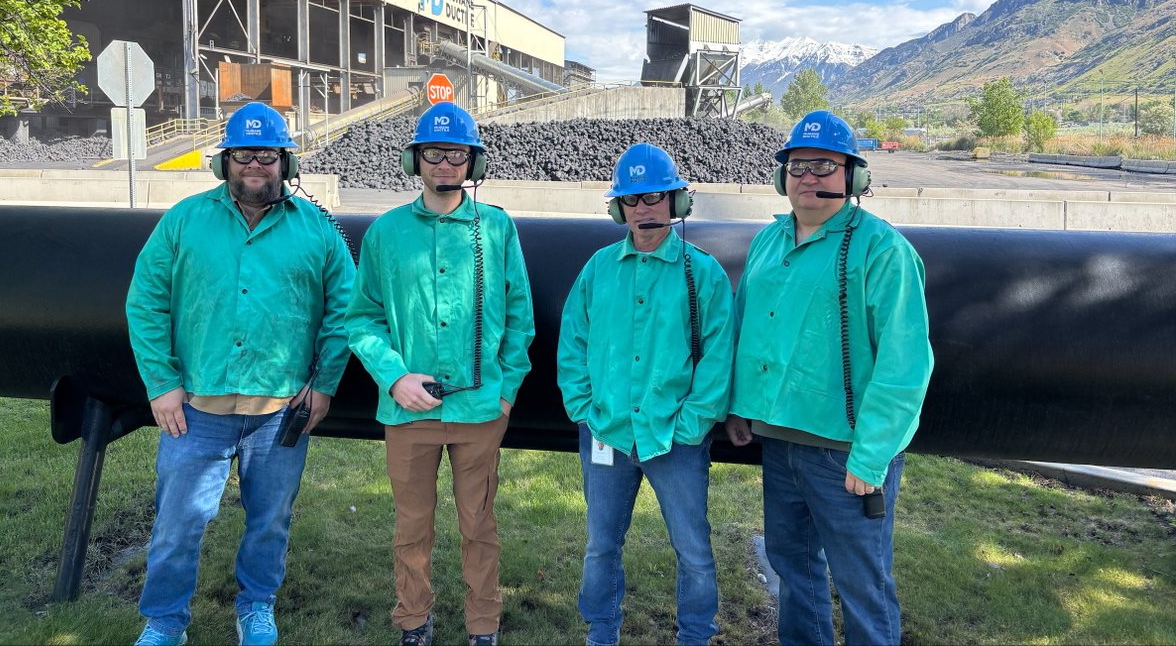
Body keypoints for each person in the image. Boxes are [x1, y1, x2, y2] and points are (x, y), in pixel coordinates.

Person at [126, 101, 356, 646]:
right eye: (244, 154)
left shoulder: (318, 231)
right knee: (178, 523)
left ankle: (256, 606)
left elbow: (345, 312)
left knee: (270, 521)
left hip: (280, 412)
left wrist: (323, 385)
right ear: (224, 160)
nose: (256, 164)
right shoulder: (184, 220)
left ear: (286, 163)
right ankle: (164, 621)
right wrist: (161, 383)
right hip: (195, 411)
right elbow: (146, 302)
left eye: (268, 154)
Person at [726, 110, 934, 646]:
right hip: (782, 442)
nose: (809, 177)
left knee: (862, 584)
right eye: (798, 166)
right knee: (793, 568)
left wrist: (871, 456)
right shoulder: (770, 241)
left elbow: (905, 363)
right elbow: (749, 329)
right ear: (782, 176)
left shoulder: (882, 249)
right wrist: (741, 406)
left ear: (854, 177)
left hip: (846, 455)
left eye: (825, 165)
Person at [346, 101, 534, 646]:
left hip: (480, 410)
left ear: (472, 162)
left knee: (479, 524)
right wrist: (394, 377)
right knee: (412, 527)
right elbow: (362, 318)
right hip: (409, 411)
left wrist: (506, 394)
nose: (446, 163)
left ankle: (483, 624)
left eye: (457, 153)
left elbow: (518, 316)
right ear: (416, 159)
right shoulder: (385, 233)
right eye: (435, 152)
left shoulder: (495, 228)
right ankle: (413, 619)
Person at [558, 143, 735, 646]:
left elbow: (718, 358)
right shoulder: (597, 269)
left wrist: (690, 424)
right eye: (632, 201)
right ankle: (601, 631)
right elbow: (573, 342)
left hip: (674, 438)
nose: (644, 210)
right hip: (607, 434)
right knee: (600, 546)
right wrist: (584, 409)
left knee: (693, 548)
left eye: (655, 197)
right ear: (619, 209)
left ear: (677, 203)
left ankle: (696, 636)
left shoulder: (702, 274)